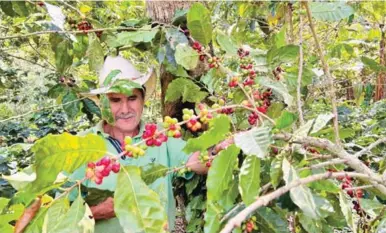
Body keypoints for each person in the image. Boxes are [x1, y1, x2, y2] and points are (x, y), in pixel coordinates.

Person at [69, 55, 210, 232]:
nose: (125, 109)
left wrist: (222, 147)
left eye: (132, 98)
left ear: (143, 99)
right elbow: (62, 216)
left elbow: (199, 161)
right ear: (102, 104)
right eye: (115, 100)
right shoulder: (80, 146)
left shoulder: (160, 138)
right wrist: (96, 212)